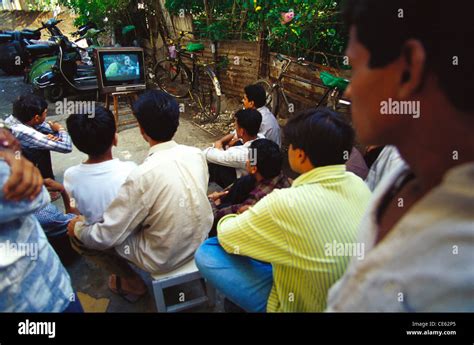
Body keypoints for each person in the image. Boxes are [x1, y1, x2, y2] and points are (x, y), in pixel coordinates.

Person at [326, 0, 474, 312]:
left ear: (408, 69)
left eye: (354, 67)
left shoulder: (459, 278)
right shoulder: (400, 176)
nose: (349, 92)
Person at [196, 108, 372, 312]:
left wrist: (236, 216)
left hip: (301, 304)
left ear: (300, 155)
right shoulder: (359, 185)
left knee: (208, 250)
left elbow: (227, 236)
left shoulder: (286, 202)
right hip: (350, 297)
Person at [67, 90, 213, 302]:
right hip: (201, 240)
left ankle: (130, 282)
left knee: (96, 235)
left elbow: (105, 237)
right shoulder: (196, 154)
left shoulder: (141, 175)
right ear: (176, 123)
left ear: (141, 130)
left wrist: (79, 228)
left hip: (164, 259)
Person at [0, 125, 83, 312]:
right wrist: (63, 191)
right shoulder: (43, 211)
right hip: (44, 297)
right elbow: (73, 220)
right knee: (81, 226)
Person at [64, 106, 137, 224]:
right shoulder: (131, 170)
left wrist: (63, 193)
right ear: (115, 139)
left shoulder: (70, 176)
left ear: (77, 144)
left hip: (89, 237)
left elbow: (73, 212)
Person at [207, 138, 291, 236]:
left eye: (248, 158)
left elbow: (215, 216)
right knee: (244, 181)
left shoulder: (253, 203)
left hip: (242, 234)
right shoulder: (281, 177)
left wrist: (211, 200)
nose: (246, 161)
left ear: (254, 168)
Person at [5, 94, 72, 179]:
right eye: (45, 113)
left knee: (43, 140)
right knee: (41, 148)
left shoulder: (20, 117)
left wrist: (49, 136)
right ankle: (45, 183)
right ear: (36, 118)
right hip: (12, 170)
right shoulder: (22, 131)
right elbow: (66, 147)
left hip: (15, 157)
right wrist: (61, 129)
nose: (46, 115)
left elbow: (50, 129)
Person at [204, 109, 263, 188]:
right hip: (253, 177)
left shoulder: (241, 154)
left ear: (242, 131)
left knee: (215, 164)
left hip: (245, 187)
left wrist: (218, 147)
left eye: (236, 126)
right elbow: (235, 135)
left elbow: (207, 154)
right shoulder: (261, 138)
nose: (235, 128)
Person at [216, 84, 281, 149]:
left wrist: (229, 144)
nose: (242, 101)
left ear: (251, 103)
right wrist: (220, 141)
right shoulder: (261, 111)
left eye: (244, 99)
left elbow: (243, 137)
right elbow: (236, 133)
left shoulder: (258, 118)